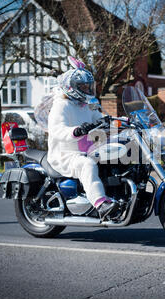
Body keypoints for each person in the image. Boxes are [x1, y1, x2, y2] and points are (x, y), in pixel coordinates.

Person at [47, 62, 118, 220]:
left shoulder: (85, 106)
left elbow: (98, 119)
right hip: (65, 154)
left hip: (86, 148)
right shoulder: (61, 105)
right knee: (87, 165)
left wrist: (116, 123)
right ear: (72, 87)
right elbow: (56, 130)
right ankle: (101, 204)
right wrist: (77, 130)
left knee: (117, 152)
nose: (87, 90)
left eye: (88, 86)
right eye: (83, 87)